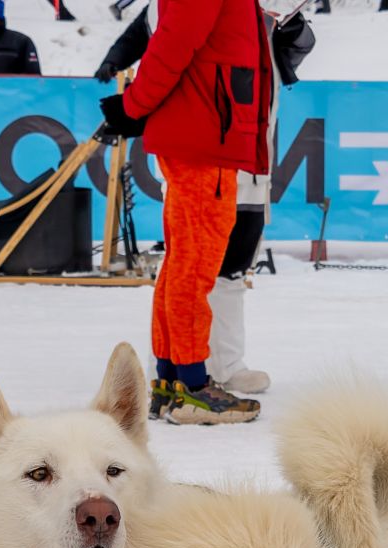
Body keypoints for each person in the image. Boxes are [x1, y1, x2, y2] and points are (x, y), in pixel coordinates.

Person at [97, 0, 279, 423]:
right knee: (195, 267)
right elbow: (171, 46)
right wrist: (134, 106)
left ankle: (171, 379)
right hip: (205, 138)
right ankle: (192, 386)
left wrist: (136, 107)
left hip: (205, 132)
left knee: (183, 263)